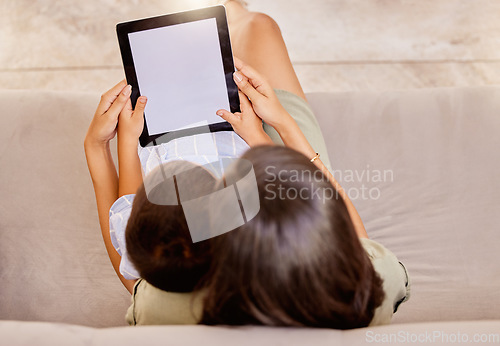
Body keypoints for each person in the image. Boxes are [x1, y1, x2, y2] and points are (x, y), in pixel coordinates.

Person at [84, 0, 409, 326]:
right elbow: (328, 210)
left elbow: (134, 250)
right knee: (257, 27)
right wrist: (274, 128)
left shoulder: (162, 306)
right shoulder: (357, 291)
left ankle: (231, 14)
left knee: (222, 48)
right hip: (284, 168)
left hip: (221, 195)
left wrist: (102, 147)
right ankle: (235, 11)